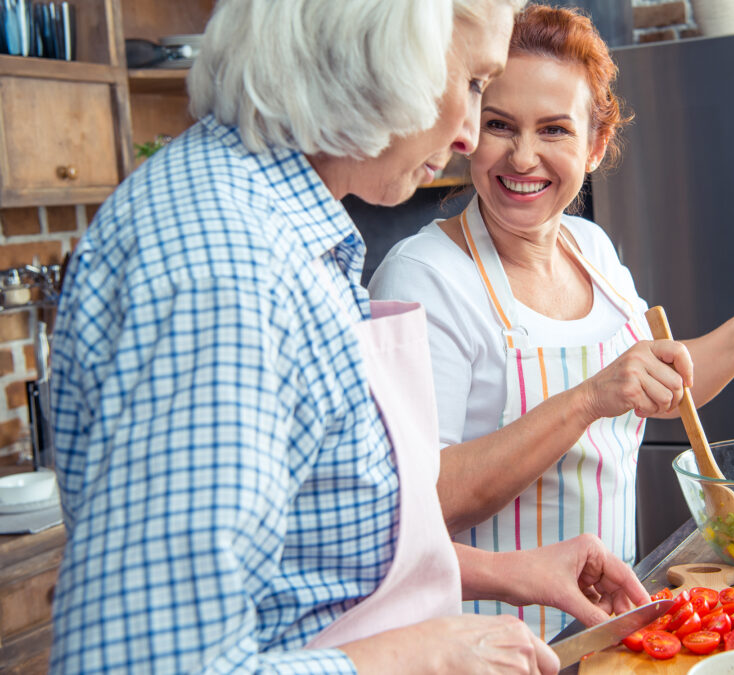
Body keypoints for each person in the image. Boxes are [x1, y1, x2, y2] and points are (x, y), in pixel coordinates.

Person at [47, 1, 649, 673]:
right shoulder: (230, 268)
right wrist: (423, 653)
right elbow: (145, 665)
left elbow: (306, 554)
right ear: (376, 56)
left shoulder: (280, 224)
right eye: (475, 84)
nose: (468, 134)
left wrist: (504, 570)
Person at [369, 4, 734, 639]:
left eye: (554, 130)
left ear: (595, 146)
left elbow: (660, 389)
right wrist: (587, 399)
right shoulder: (422, 277)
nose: (522, 157)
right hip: (485, 643)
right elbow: (420, 502)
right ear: (469, 129)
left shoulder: (591, 248)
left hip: (604, 627)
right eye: (500, 124)